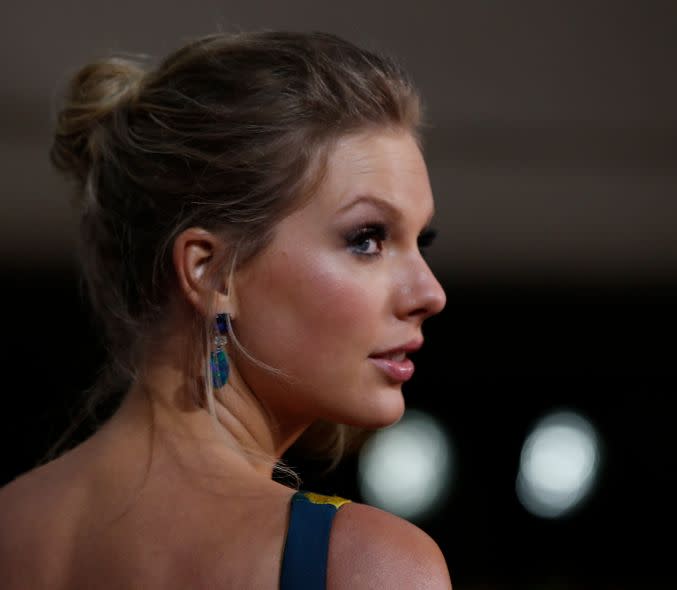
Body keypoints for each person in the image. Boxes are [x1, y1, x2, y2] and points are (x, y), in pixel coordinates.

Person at [0, 30, 450, 589]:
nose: (430, 294)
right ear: (210, 272)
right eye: (367, 238)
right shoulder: (367, 565)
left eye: (419, 243)